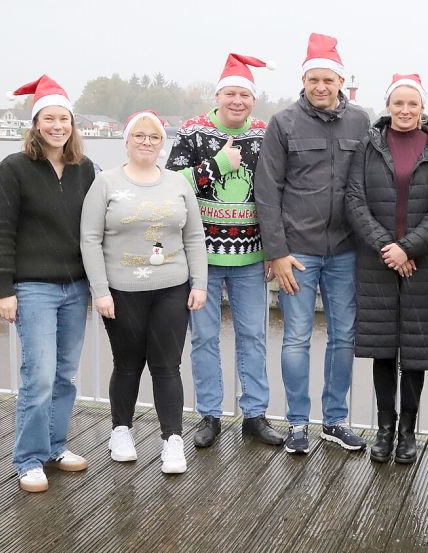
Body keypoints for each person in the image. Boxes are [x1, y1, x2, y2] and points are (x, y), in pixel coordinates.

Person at [254, 33, 370, 454]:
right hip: (297, 253)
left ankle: (335, 421)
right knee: (297, 339)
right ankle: (298, 423)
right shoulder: (283, 123)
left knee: (344, 338)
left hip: (345, 251)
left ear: (341, 81)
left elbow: (370, 183)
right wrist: (278, 253)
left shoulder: (361, 121)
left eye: (329, 79)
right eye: (313, 79)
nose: (321, 86)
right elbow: (267, 190)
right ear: (303, 81)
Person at [166, 53, 284, 448]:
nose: (237, 101)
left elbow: (276, 191)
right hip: (202, 259)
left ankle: (255, 414)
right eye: (230, 93)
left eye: (244, 95)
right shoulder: (193, 132)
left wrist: (273, 247)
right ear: (218, 95)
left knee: (253, 336)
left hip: (250, 257)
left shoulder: (266, 134)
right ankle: (210, 415)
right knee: (203, 339)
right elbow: (171, 182)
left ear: (253, 99)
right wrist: (216, 164)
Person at [81, 110, 208, 474]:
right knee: (127, 364)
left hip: (172, 287)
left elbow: (194, 237)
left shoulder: (177, 184)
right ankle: (121, 430)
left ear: (161, 143)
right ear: (127, 140)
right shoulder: (105, 182)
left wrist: (199, 283)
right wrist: (100, 291)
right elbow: (90, 239)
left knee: (167, 366)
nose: (146, 142)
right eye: (139, 136)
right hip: (121, 291)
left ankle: (172, 440)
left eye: (153, 137)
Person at [0, 75, 96, 493]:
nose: (58, 126)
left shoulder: (84, 169)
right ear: (35, 125)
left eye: (64, 119)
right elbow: (2, 231)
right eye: (49, 119)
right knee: (40, 376)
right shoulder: (13, 169)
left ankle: (55, 446)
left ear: (72, 124)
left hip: (77, 288)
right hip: (33, 287)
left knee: (66, 375)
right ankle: (28, 458)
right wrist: (3, 289)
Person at [345, 74, 428, 464]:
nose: (406, 111)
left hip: (424, 264)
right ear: (388, 106)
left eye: (413, 104)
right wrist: (387, 247)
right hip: (377, 263)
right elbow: (355, 201)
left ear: (422, 108)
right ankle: (384, 430)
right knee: (382, 350)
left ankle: (408, 431)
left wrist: (408, 247)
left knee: (415, 351)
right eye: (399, 104)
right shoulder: (368, 146)